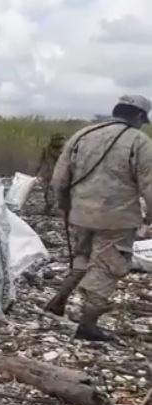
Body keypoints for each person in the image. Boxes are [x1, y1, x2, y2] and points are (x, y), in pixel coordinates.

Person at [44, 95, 152, 341]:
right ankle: (87, 325)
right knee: (107, 266)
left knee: (82, 258)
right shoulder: (139, 141)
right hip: (117, 218)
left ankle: (58, 301)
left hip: (80, 213)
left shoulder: (82, 135)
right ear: (137, 117)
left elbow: (59, 180)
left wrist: (65, 206)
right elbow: (149, 183)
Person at [35, 133, 66, 214]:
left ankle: (56, 208)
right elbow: (41, 160)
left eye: (61, 140)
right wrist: (37, 171)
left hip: (60, 174)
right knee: (47, 192)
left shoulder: (65, 150)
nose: (60, 142)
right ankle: (48, 207)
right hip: (48, 174)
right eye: (58, 140)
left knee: (59, 192)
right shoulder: (46, 149)